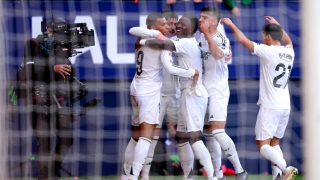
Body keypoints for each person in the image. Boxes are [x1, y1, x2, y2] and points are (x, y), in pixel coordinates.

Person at [138, 13, 216, 180]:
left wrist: (143, 41)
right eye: (177, 23)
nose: (178, 26)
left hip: (192, 93)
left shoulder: (186, 43)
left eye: (183, 24)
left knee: (194, 137)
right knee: (181, 137)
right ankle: (188, 176)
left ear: (193, 29)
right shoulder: (186, 42)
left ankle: (213, 177)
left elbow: (161, 44)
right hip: (185, 93)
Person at [121, 12, 198, 180]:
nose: (168, 27)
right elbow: (170, 68)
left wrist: (155, 33)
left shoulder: (141, 41)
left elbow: (133, 30)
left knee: (135, 138)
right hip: (149, 92)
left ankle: (125, 176)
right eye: (164, 24)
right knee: (146, 138)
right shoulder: (161, 43)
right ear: (154, 27)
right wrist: (192, 72)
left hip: (136, 87)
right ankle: (135, 176)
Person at [222, 16, 298, 180]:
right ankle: (277, 176)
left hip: (271, 106)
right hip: (285, 105)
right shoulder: (289, 52)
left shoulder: (267, 51)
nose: (263, 38)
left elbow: (243, 40)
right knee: (274, 143)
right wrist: (277, 25)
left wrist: (231, 25)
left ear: (269, 37)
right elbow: (289, 40)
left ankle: (286, 168)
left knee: (262, 146)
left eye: (264, 35)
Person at [17, 18, 87, 179]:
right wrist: (53, 67)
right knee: (45, 142)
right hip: (37, 100)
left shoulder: (61, 47)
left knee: (67, 138)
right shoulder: (33, 43)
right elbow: (25, 69)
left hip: (58, 100)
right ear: (47, 29)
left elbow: (67, 71)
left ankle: (52, 170)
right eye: (55, 31)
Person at [198, 7, 248, 180]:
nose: (200, 20)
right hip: (203, 91)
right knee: (209, 134)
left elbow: (219, 55)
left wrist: (207, 36)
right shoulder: (199, 37)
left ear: (214, 21)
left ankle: (239, 170)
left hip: (218, 90)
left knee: (218, 131)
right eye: (200, 17)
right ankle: (218, 174)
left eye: (204, 17)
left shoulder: (221, 38)